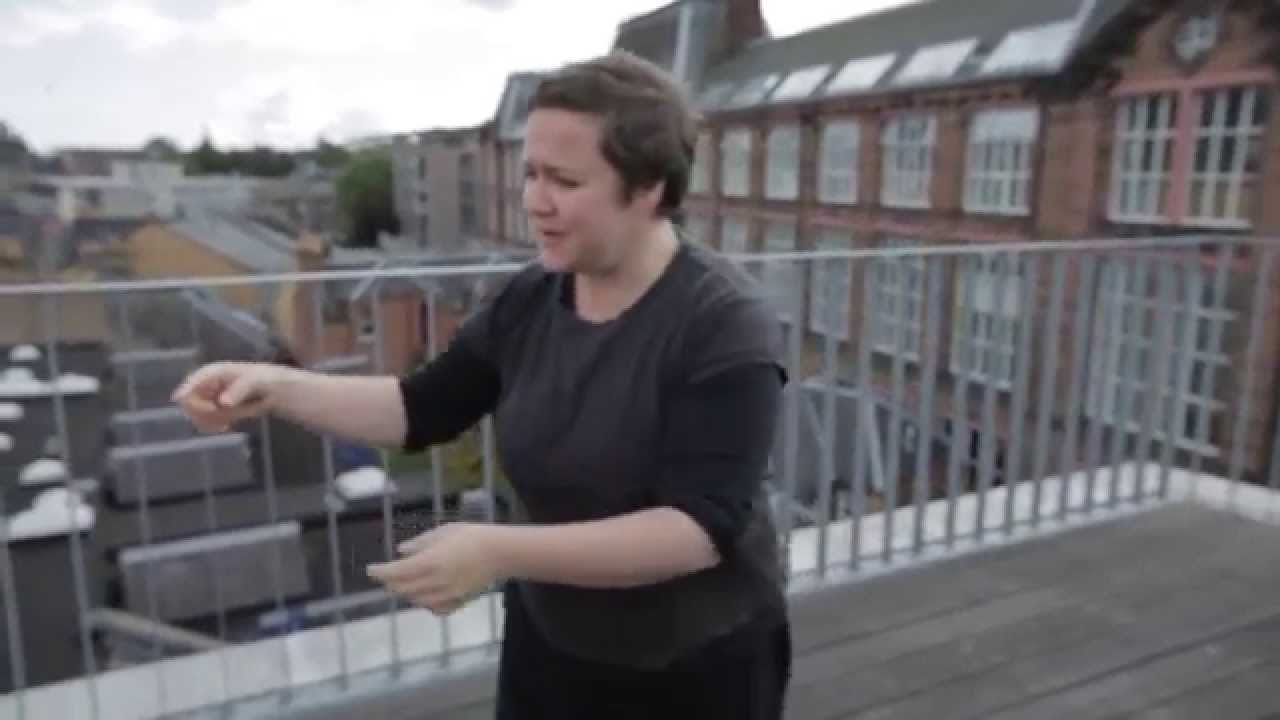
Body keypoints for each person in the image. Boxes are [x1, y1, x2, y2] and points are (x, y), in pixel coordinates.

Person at [171, 50, 791, 719]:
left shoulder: (723, 323)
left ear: (646, 188)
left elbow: (698, 527)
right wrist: (275, 385)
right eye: (530, 173)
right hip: (554, 647)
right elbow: (422, 408)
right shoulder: (531, 298)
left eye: (564, 179)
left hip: (695, 670)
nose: (533, 201)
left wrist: (495, 549)